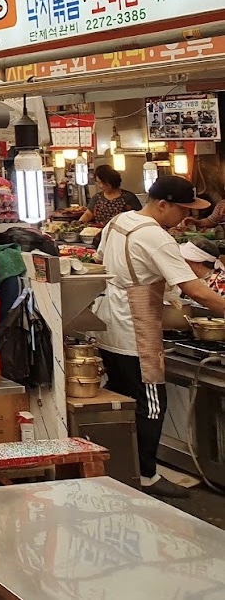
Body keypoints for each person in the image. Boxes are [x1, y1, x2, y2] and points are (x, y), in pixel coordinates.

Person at [95, 175, 225, 498]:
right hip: (135, 330)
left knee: (123, 401)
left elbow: (100, 261)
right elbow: (197, 291)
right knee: (152, 404)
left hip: (106, 325)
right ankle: (148, 476)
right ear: (163, 205)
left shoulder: (118, 221)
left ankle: (123, 472)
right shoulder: (158, 238)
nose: (185, 217)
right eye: (182, 210)